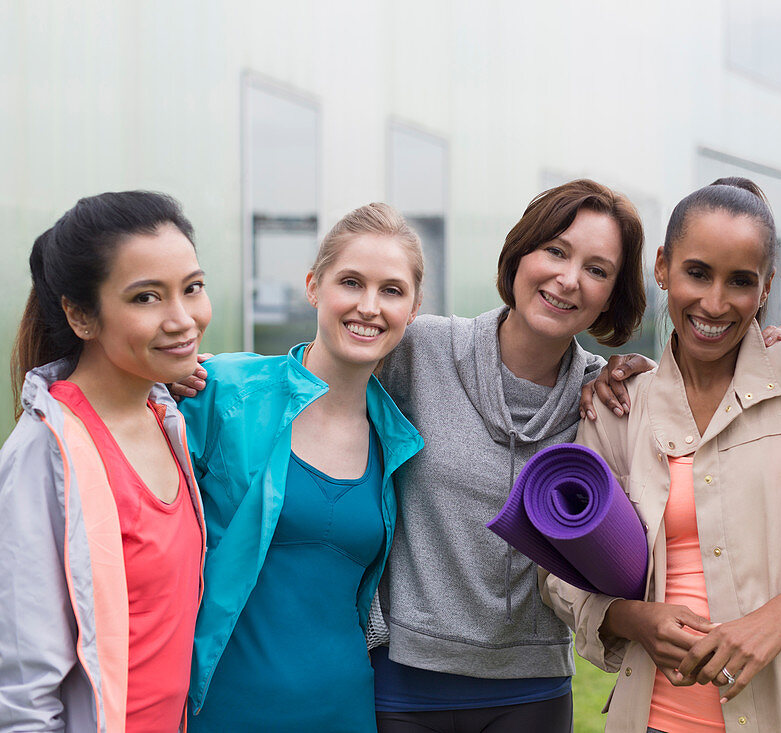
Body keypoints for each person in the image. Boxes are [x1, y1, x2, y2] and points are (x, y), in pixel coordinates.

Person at [543, 178, 781, 732]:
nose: (715, 304)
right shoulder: (622, 403)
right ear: (662, 268)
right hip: (654, 719)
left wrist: (777, 617)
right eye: (697, 273)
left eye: (741, 282)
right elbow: (559, 567)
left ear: (767, 287)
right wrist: (632, 618)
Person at [368, 179, 648, 732]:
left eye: (597, 269)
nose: (568, 280)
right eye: (556, 251)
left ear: (612, 295)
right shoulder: (418, 352)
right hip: (404, 683)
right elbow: (312, 375)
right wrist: (194, 372)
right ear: (521, 252)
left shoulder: (610, 398)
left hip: (533, 689)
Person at [179, 204, 424, 732]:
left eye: (391, 290)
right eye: (351, 282)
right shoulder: (222, 393)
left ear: (413, 306)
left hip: (344, 710)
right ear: (314, 287)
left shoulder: (397, 440)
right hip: (222, 709)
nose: (368, 306)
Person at [0, 192, 210, 732]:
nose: (182, 319)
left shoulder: (168, 417)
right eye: (146, 298)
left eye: (192, 287)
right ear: (80, 315)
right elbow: (22, 690)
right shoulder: (43, 453)